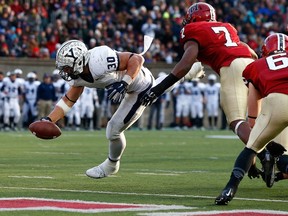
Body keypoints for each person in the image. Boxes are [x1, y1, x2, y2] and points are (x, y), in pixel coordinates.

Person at [40, 39, 204, 179]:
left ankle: (111, 164)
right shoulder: (78, 77)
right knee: (161, 86)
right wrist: (49, 120)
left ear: (79, 61)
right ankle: (188, 73)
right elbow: (69, 99)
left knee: (112, 130)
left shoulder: (99, 59)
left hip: (139, 85)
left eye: (67, 67)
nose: (65, 72)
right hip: (130, 87)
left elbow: (136, 59)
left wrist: (124, 82)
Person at [141, 2, 264, 176]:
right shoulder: (227, 27)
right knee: (255, 121)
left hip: (232, 66)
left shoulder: (193, 29)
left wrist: (160, 87)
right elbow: (251, 52)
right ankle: (257, 160)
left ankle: (265, 154)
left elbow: (186, 62)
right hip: (252, 64)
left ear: (196, 16)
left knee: (236, 120)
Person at [215, 33, 288, 205]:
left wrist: (257, 144)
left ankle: (230, 188)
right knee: (285, 156)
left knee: (251, 148)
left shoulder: (256, 66)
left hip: (277, 103)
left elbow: (254, 110)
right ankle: (280, 171)